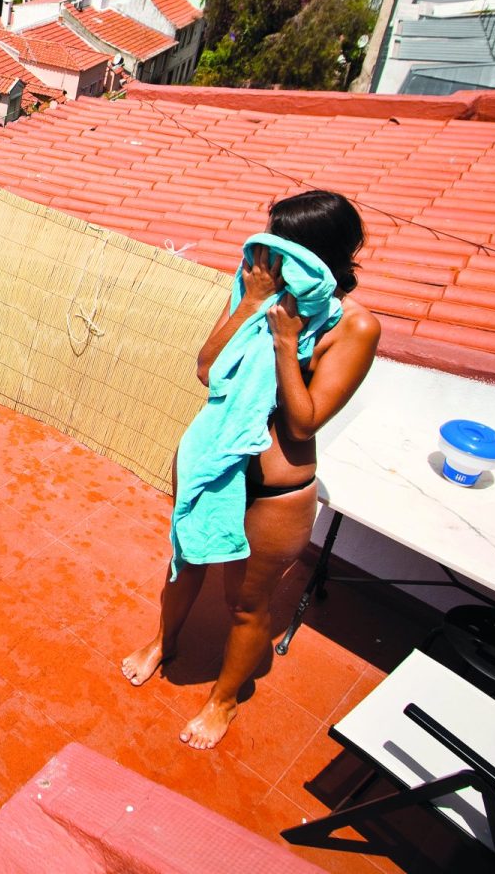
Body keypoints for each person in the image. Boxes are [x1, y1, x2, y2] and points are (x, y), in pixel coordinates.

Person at [121, 190, 380, 750]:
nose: (270, 258)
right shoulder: (255, 290)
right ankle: (163, 641)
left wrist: (287, 343)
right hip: (215, 459)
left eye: (286, 247)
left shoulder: (355, 327)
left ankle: (224, 700)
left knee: (246, 603)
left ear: (320, 256)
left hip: (276, 487)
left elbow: (305, 421)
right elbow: (206, 367)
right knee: (184, 560)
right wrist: (251, 304)